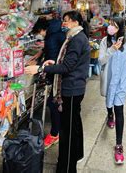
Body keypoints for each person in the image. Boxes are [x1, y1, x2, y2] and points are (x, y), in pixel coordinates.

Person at [25, 11, 90, 173]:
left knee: (67, 131)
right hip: (75, 88)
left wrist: (41, 68)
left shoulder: (76, 39)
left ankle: (67, 168)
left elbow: (67, 67)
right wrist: (53, 62)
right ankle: (75, 156)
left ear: (75, 22)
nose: (64, 24)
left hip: (71, 89)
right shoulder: (75, 37)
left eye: (66, 21)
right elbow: (68, 62)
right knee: (74, 124)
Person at [99, 17, 126, 165]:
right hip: (110, 81)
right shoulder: (105, 42)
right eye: (110, 24)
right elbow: (101, 61)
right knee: (109, 104)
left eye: (115, 25)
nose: (111, 27)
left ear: (121, 28)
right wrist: (112, 49)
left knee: (120, 111)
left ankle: (119, 145)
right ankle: (109, 114)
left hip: (121, 84)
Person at [43, 15, 67, 148]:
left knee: (54, 104)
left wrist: (44, 67)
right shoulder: (61, 33)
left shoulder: (51, 37)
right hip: (62, 75)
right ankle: (58, 131)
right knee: (58, 104)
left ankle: (54, 134)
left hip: (56, 75)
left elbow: (52, 55)